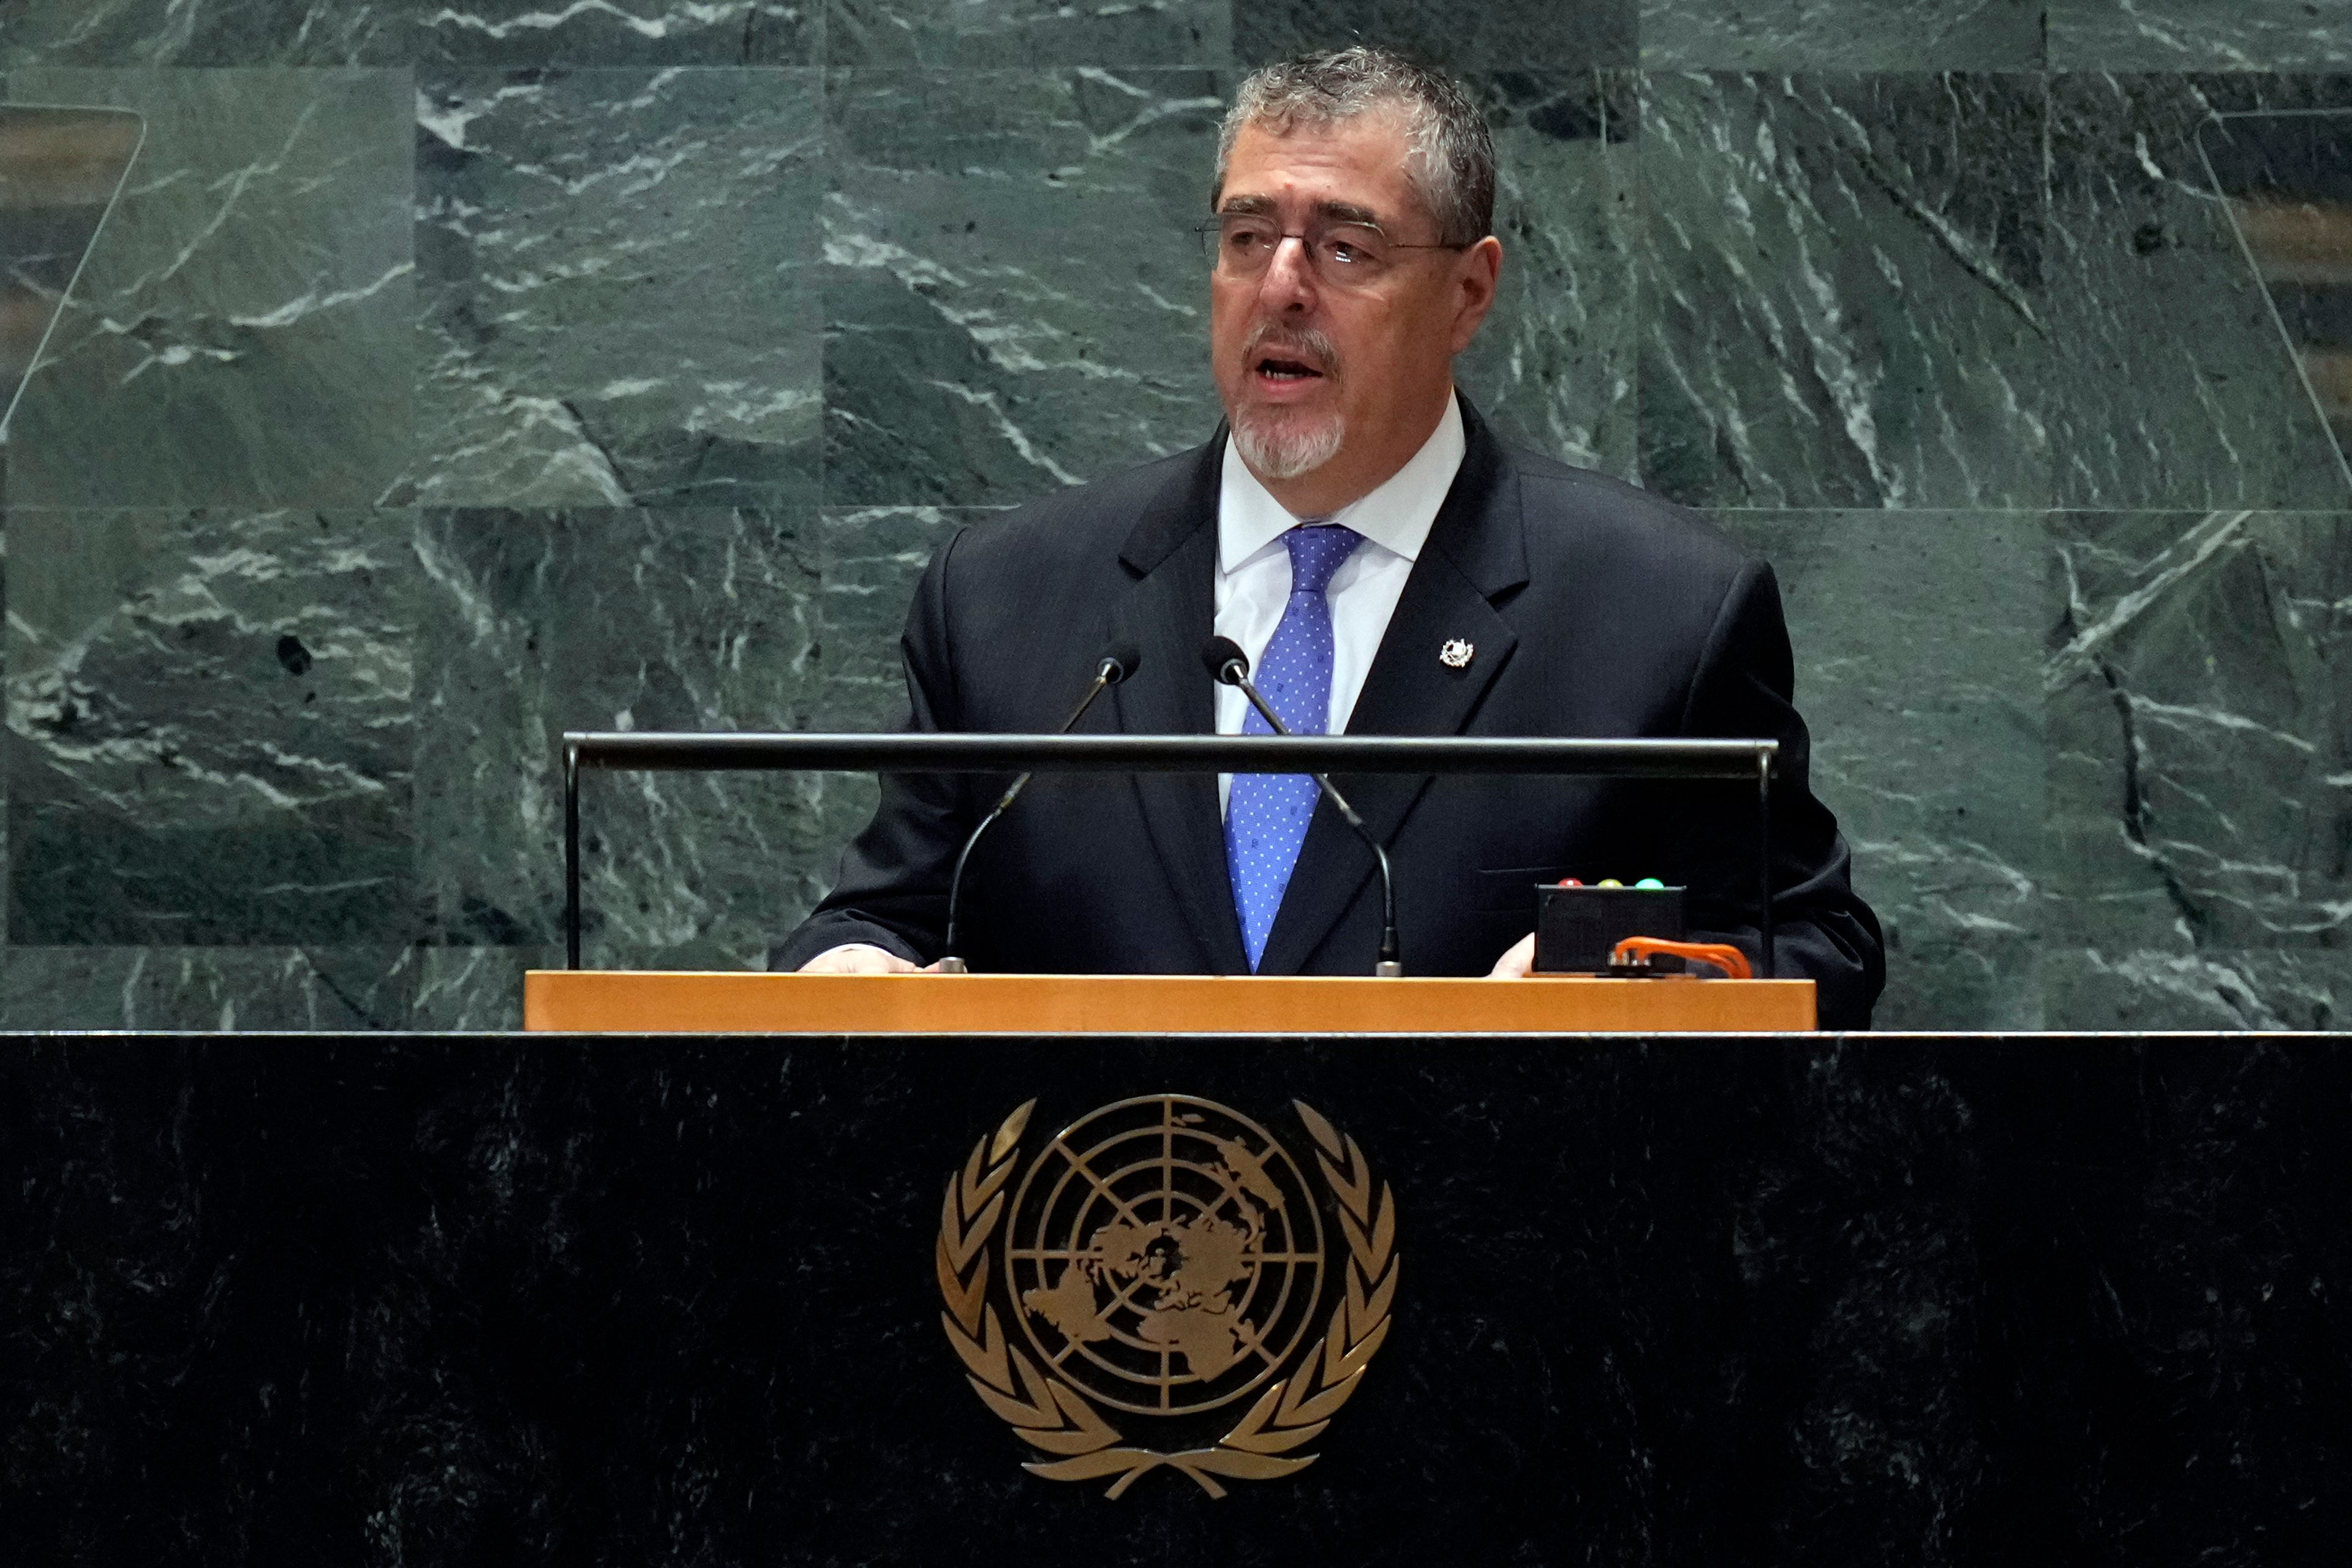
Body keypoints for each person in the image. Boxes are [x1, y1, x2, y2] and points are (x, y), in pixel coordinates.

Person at [769, 47, 1885, 1027]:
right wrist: (857, 968)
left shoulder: (1663, 614)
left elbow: (1813, 951)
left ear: (1469, 292)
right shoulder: (1004, 601)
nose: (1282, 287)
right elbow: (883, 917)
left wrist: (1638, 990)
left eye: (1346, 248)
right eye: (1248, 236)